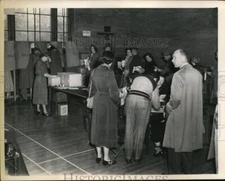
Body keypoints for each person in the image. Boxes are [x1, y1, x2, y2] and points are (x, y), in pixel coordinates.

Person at [163, 49, 205, 174]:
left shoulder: (179, 75)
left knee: (174, 151)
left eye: (174, 57)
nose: (172, 60)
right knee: (187, 152)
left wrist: (167, 106)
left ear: (182, 58)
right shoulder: (197, 73)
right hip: (192, 116)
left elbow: (175, 100)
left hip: (179, 117)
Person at [89, 52, 120, 165]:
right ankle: (106, 159)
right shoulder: (109, 72)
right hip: (107, 102)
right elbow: (113, 93)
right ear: (110, 62)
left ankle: (98, 156)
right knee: (107, 129)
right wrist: (118, 101)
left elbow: (91, 89)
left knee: (98, 127)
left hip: (97, 100)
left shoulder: (94, 71)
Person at [124, 74, 160, 164]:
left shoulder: (136, 78)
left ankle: (128, 157)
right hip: (143, 101)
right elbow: (156, 106)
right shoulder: (154, 83)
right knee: (140, 130)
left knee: (129, 129)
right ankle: (137, 157)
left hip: (130, 99)